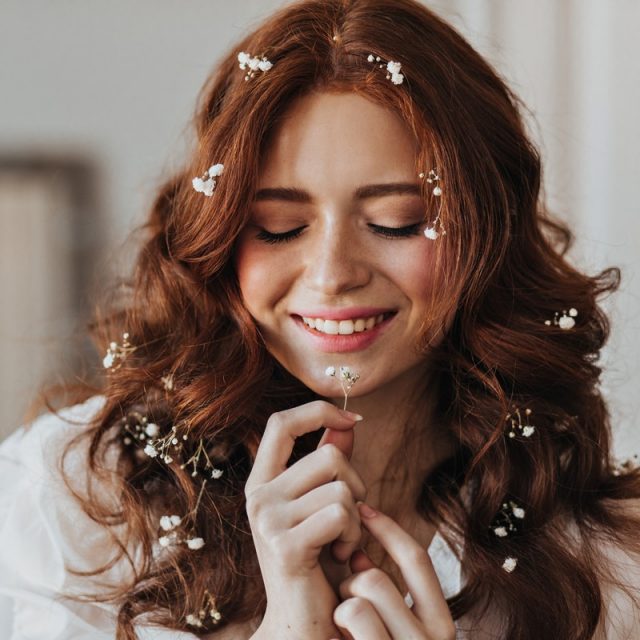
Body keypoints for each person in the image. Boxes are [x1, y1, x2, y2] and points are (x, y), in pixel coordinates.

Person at [2, 0, 640, 638]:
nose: (333, 272)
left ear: (487, 231)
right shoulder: (68, 509)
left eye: (398, 222)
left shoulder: (612, 565)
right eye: (278, 229)